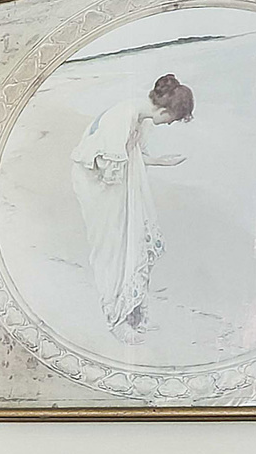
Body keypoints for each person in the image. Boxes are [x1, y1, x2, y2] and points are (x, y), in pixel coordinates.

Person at [69, 72, 196, 331]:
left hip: (111, 180)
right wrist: (122, 201)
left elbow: (130, 157)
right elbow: (108, 165)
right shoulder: (122, 117)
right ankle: (116, 315)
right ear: (164, 110)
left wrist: (162, 161)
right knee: (112, 246)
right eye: (173, 119)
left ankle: (132, 311)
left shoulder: (140, 119)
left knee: (132, 239)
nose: (170, 124)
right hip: (96, 184)